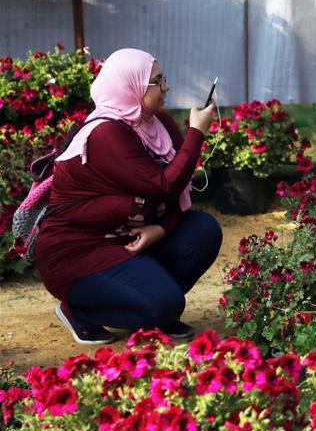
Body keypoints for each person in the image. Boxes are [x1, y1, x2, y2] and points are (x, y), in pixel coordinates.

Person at [35, 49, 221, 345]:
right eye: (157, 82)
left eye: (164, 78)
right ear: (130, 86)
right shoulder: (106, 133)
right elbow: (164, 186)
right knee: (166, 305)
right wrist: (196, 133)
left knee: (203, 230)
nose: (166, 88)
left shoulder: (156, 123)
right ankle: (80, 310)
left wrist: (161, 229)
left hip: (127, 239)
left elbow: (179, 188)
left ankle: (149, 303)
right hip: (79, 254)